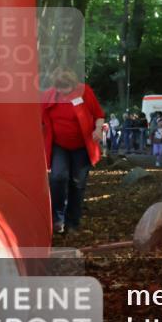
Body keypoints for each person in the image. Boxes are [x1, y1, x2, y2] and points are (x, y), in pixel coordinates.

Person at [41, 68, 105, 235]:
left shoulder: (85, 92)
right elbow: (38, 119)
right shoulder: (49, 95)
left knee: (77, 184)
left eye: (66, 87)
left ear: (73, 84)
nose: (63, 91)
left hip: (82, 145)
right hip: (59, 145)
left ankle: (72, 223)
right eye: (60, 88)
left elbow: (99, 114)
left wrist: (98, 129)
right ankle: (57, 219)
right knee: (58, 177)